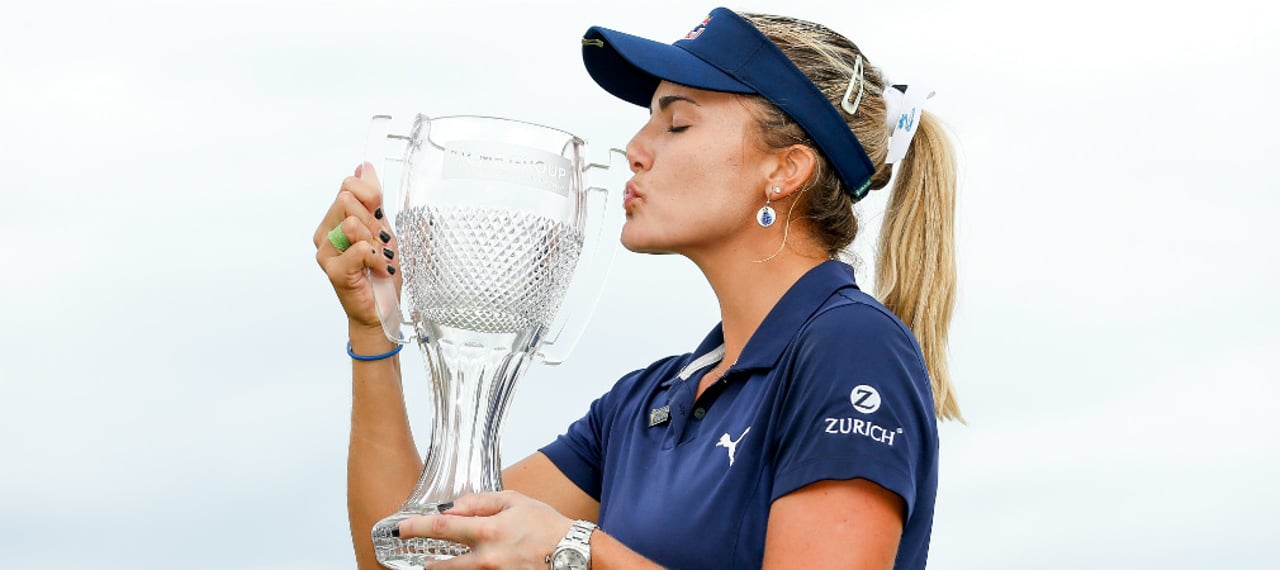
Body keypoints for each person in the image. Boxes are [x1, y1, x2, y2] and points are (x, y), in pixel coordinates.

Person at [314, 7, 961, 570]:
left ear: (786, 169)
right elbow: (407, 555)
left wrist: (573, 552)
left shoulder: (851, 347)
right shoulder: (640, 406)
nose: (634, 148)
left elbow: (555, 549)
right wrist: (374, 328)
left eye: (676, 124)